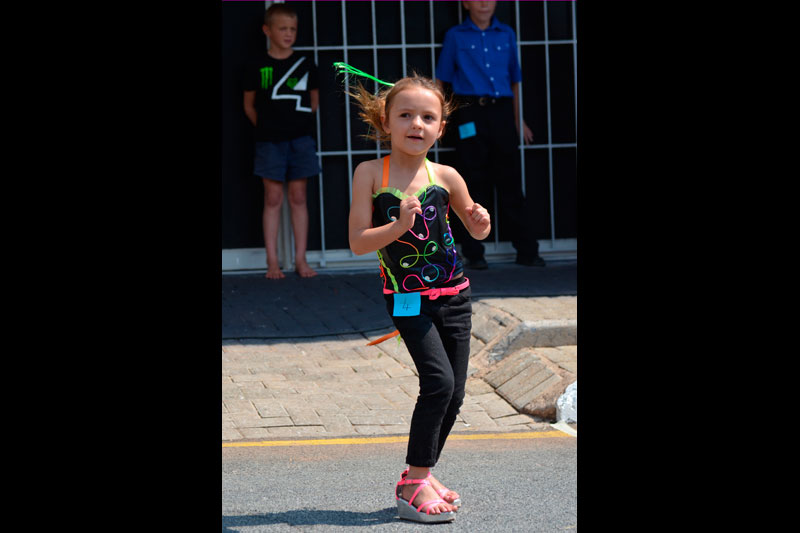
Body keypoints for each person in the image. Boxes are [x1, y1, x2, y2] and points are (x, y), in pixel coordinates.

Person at [345, 66, 490, 523]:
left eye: (428, 117)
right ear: (385, 121)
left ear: (440, 127)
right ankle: (414, 486)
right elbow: (358, 242)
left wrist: (481, 223)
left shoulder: (446, 175)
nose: (416, 124)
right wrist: (399, 226)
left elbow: (474, 228)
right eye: (405, 115)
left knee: (455, 393)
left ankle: (420, 475)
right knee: (438, 383)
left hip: (456, 297)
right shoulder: (370, 173)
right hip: (408, 299)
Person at [436, 0, 545, 268]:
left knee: (511, 181)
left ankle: (527, 250)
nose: (484, 2)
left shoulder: (506, 34)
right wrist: (438, 118)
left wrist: (518, 120)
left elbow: (515, 81)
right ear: (465, 3)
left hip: (502, 113)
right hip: (470, 113)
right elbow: (441, 79)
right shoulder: (455, 36)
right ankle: (474, 253)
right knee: (472, 181)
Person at [243, 3, 319, 279]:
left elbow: (313, 102)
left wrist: (296, 126)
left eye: (293, 29)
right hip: (269, 142)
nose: (288, 34)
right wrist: (268, 128)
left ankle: (301, 260)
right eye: (282, 28)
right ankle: (272, 261)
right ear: (267, 31)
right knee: (272, 197)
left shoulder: (306, 64)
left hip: (301, 141)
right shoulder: (256, 65)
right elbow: (248, 105)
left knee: (299, 197)